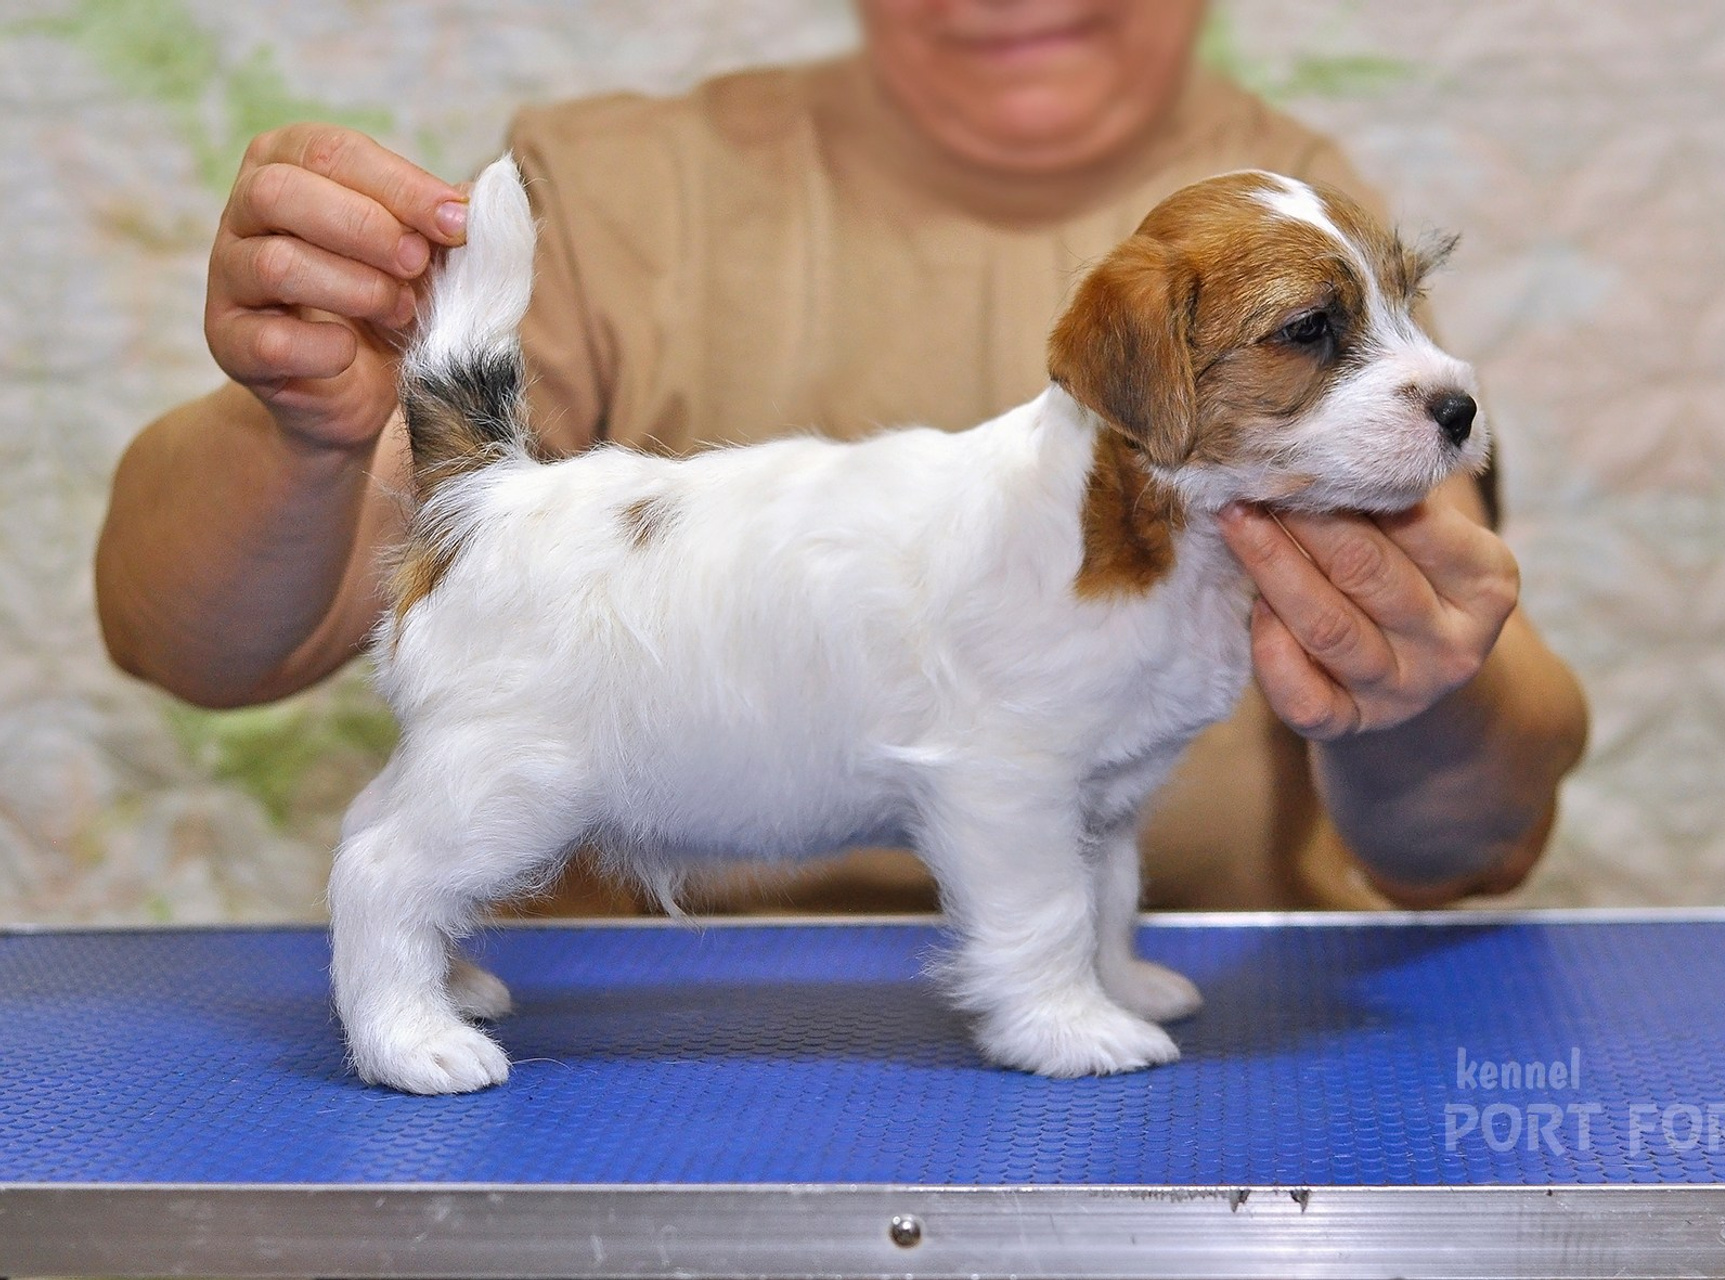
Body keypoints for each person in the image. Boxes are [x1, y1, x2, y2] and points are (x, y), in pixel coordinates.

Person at [94, 0, 1587, 915]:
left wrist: (1414, 696)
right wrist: (305, 420)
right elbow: (199, 643)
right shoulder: (613, 190)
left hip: (1177, 994)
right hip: (646, 1028)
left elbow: (1470, 841)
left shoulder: (1303, 221)